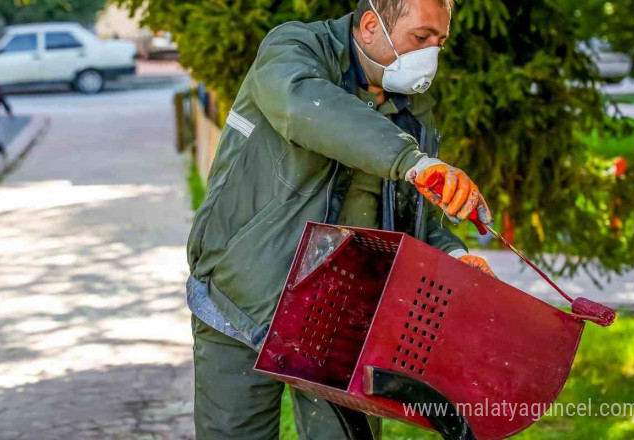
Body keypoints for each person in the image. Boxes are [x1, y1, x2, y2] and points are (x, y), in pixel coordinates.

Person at [185, 0, 496, 438]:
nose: (431, 55)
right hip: (240, 298)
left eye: (440, 42)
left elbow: (411, 216)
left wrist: (455, 257)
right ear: (371, 26)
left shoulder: (411, 101)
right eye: (421, 38)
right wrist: (411, 160)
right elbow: (305, 108)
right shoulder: (293, 49)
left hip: (340, 322)